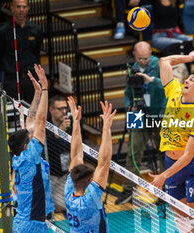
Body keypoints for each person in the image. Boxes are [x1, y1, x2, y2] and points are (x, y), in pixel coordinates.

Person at [149, 45, 194, 217]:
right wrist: (189, 58)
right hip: (170, 162)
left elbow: (188, 156)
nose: (186, 81)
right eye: (188, 78)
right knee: (180, 218)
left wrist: (162, 176)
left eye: (191, 81)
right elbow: (165, 61)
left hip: (191, 167)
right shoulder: (174, 92)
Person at [116, 41, 166, 205]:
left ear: (151, 53)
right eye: (140, 59)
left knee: (163, 153)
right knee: (133, 151)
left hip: (159, 113)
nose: (143, 61)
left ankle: (163, 192)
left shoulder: (160, 64)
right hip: (137, 112)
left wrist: (150, 80)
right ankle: (128, 190)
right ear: (134, 55)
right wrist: (129, 107)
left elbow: (167, 86)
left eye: (145, 58)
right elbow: (127, 92)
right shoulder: (132, 68)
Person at [8, 64, 54, 232]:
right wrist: (46, 88)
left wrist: (37, 94)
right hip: (31, 226)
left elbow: (32, 123)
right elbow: (41, 121)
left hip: (24, 222)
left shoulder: (18, 157)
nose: (32, 134)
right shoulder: (30, 157)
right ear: (27, 145)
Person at [64, 97, 116, 233]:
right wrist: (106, 128)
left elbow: (76, 156)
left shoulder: (69, 193)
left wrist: (76, 123)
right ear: (90, 180)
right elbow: (104, 163)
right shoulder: (89, 199)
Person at [0, 0, 42, 103]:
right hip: (12, 79)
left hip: (31, 78)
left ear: (28, 8)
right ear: (12, 8)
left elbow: (37, 51)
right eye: (18, 7)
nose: (21, 10)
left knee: (33, 110)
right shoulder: (4, 31)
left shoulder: (35, 30)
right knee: (14, 110)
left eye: (24, 7)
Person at [46, 95, 72, 212]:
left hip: (68, 173)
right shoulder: (45, 126)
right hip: (52, 176)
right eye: (60, 109)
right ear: (51, 110)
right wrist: (61, 129)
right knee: (61, 207)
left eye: (65, 108)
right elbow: (49, 144)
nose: (64, 112)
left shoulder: (70, 126)